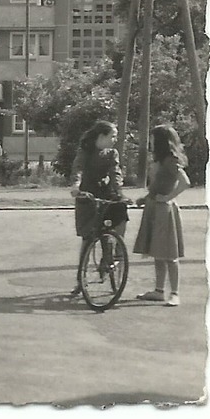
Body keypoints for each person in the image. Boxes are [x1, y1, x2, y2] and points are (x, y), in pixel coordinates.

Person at [133, 125, 191, 306]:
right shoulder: (159, 160)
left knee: (169, 254)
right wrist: (147, 197)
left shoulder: (170, 160)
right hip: (153, 207)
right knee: (157, 253)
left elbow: (185, 182)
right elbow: (158, 184)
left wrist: (167, 198)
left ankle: (175, 293)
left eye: (152, 138)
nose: (150, 142)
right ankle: (159, 291)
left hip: (164, 210)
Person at [70, 119, 127, 297]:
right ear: (101, 136)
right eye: (112, 136)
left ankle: (111, 258)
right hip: (87, 195)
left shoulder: (111, 153)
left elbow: (115, 172)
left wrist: (118, 191)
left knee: (115, 221)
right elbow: (78, 169)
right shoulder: (85, 150)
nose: (114, 140)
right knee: (88, 237)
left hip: (104, 192)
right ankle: (81, 279)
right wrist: (76, 187)